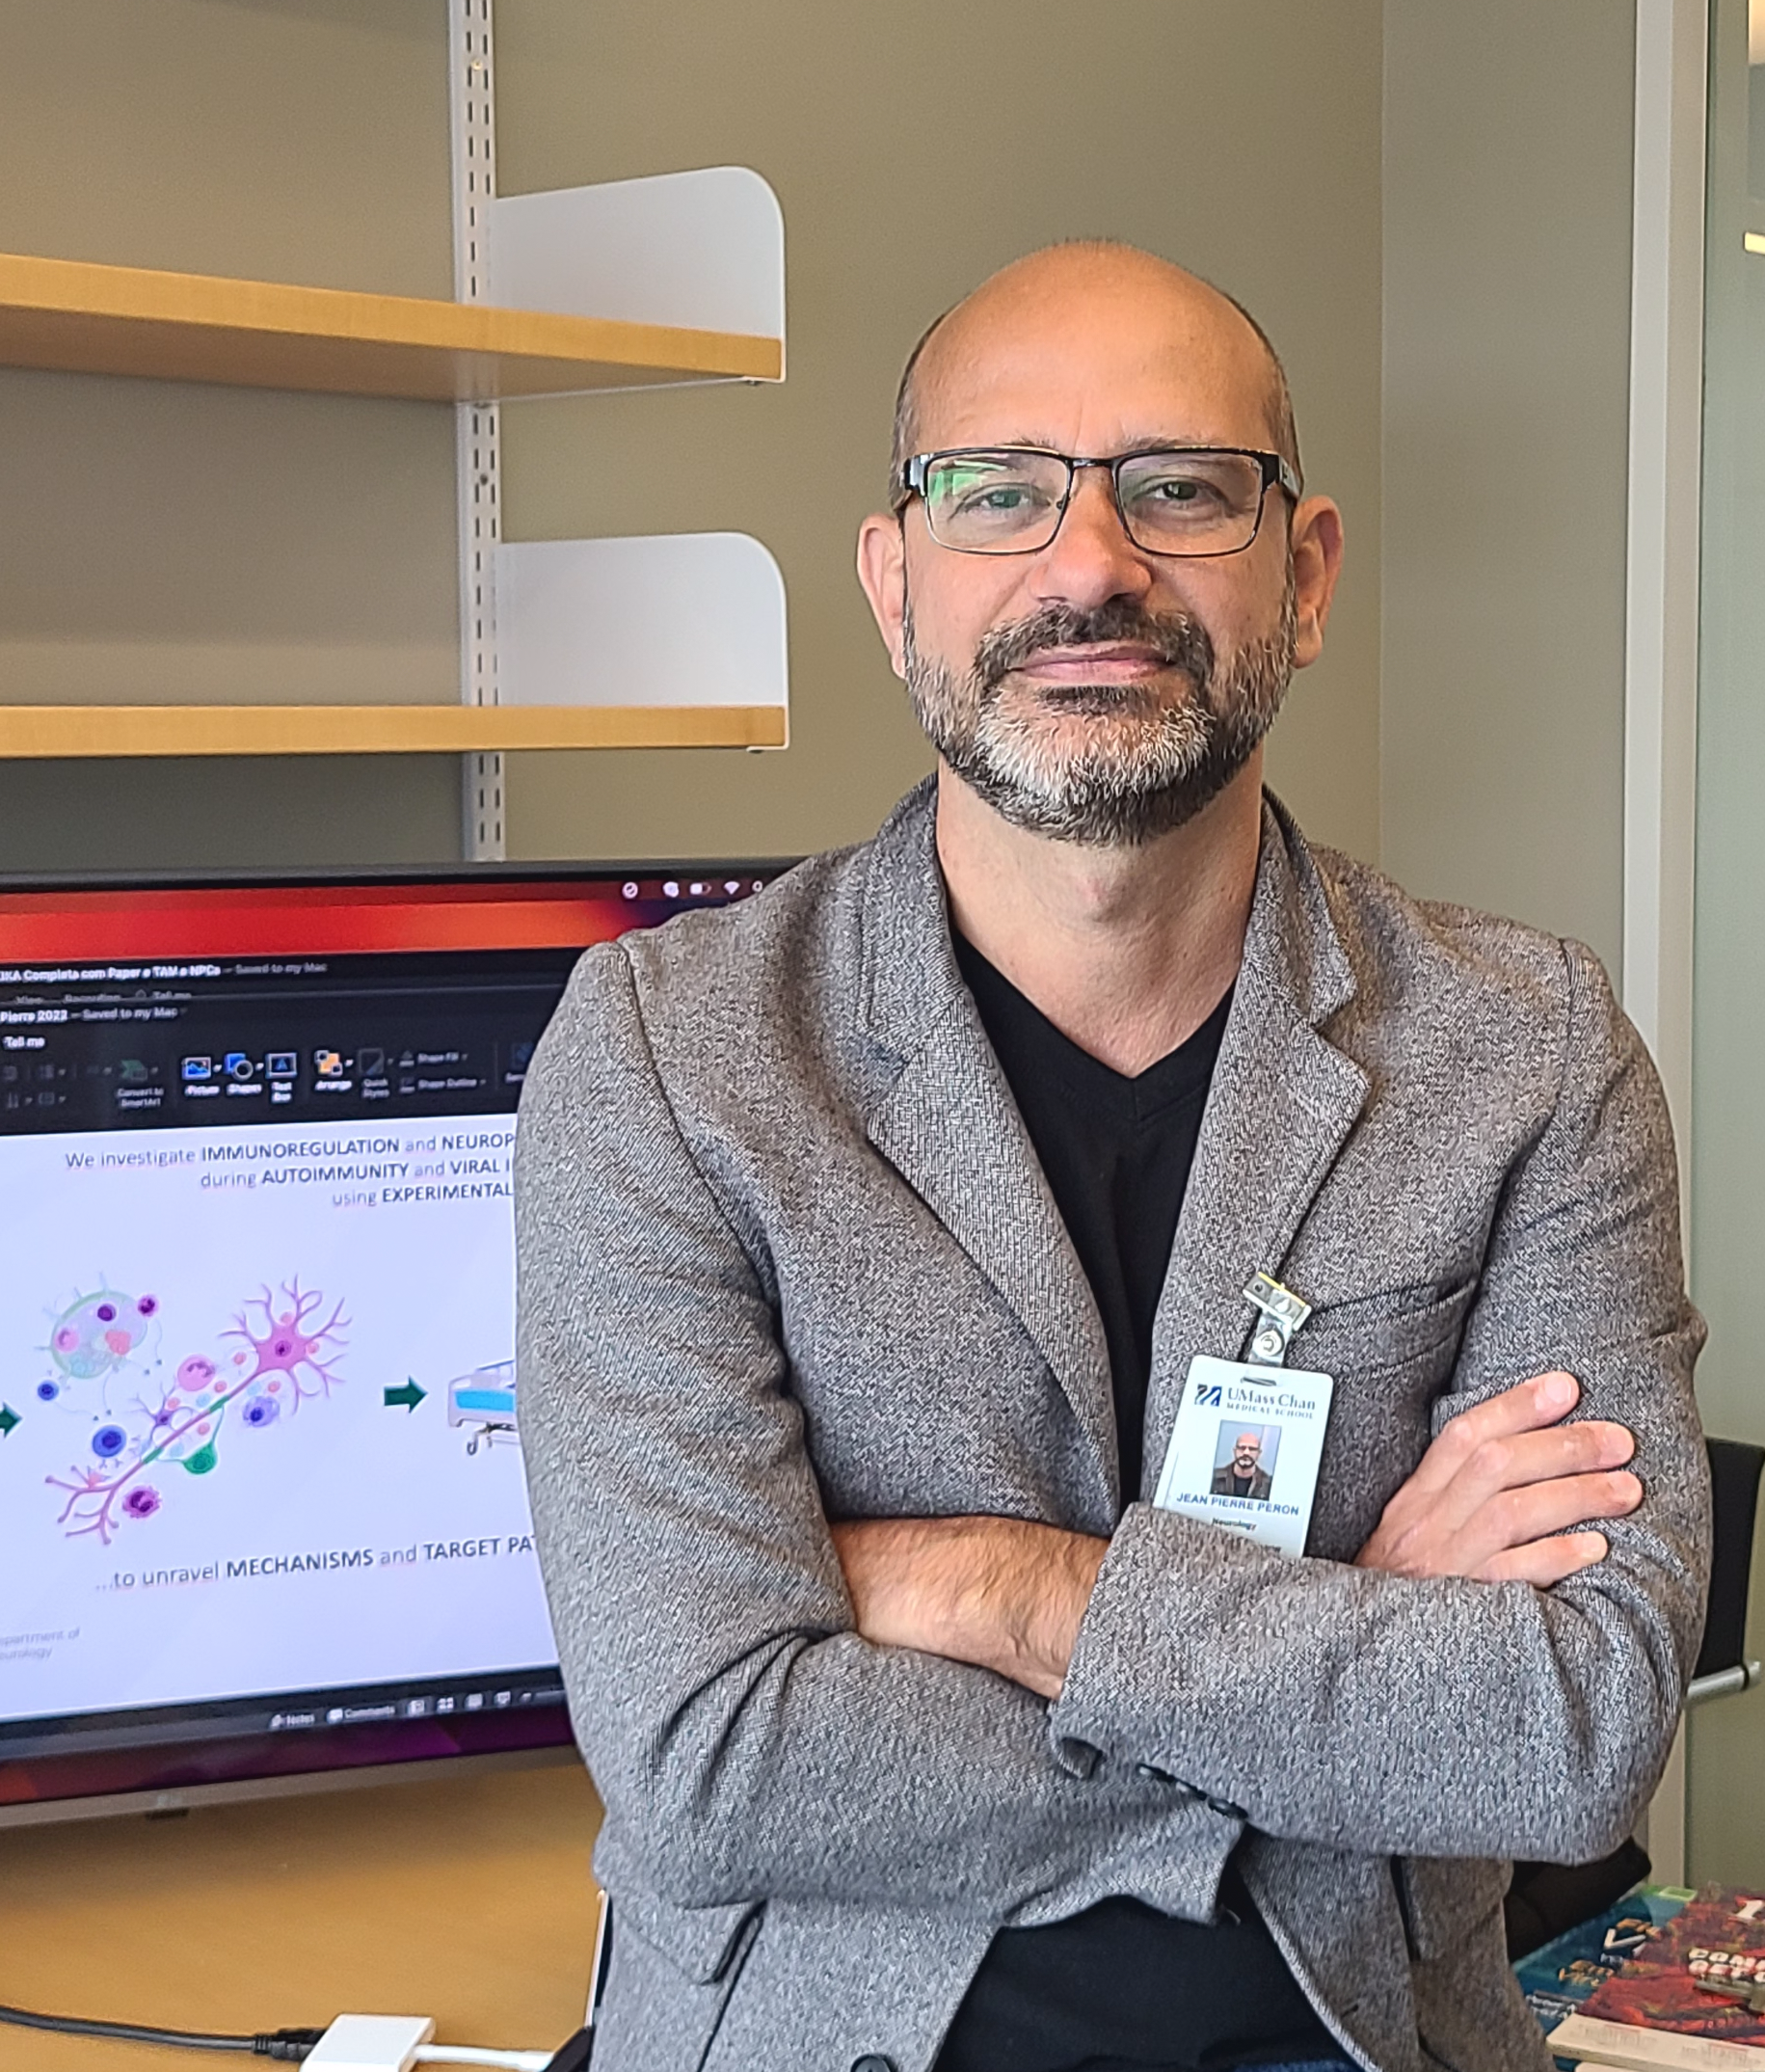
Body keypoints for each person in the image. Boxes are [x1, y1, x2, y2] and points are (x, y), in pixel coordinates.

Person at [516, 241, 1710, 2072]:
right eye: (996, 493)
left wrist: (1005, 1587)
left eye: (1181, 489)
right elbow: (709, 1757)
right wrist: (1359, 1645)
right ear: (893, 583)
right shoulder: (669, 1054)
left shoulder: (1525, 1049)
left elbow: (1570, 1731)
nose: (1091, 566)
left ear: (1303, 576)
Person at [1212, 1430, 1273, 1503]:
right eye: (1242, 1448)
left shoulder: (1268, 1485)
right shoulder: (1214, 1478)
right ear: (1235, 1451)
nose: (1246, 1453)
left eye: (1252, 1449)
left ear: (1259, 1454)